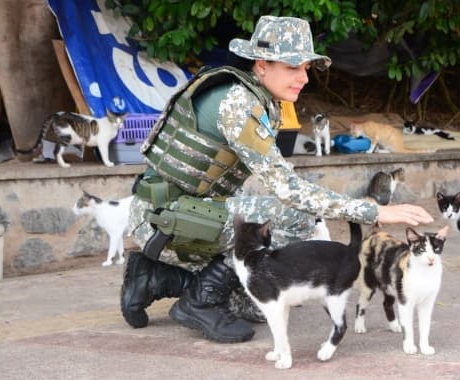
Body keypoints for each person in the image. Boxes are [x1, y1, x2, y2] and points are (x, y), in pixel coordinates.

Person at [120, 15, 434, 344]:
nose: (303, 78)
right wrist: (373, 211)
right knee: (293, 215)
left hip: (179, 214)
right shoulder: (238, 103)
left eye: (306, 68)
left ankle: (154, 277)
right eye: (292, 67)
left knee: (262, 304)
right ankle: (201, 300)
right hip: (164, 220)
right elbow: (287, 189)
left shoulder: (255, 96)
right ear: (262, 65)